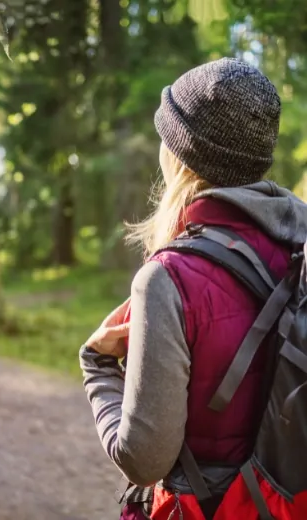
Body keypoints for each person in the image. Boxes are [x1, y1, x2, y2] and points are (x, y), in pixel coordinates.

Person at [80, 57, 307, 519]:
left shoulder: (168, 278)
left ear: (182, 156)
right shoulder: (300, 243)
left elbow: (144, 461)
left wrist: (98, 366)